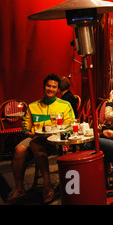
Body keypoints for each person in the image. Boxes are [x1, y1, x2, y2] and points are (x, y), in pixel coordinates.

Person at [6, 74, 75, 204]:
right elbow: (25, 127)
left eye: (54, 87)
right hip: (35, 137)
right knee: (20, 149)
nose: (51, 89)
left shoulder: (64, 105)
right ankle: (19, 188)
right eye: (48, 86)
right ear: (43, 87)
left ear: (57, 89)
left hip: (56, 139)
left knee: (35, 144)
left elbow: (70, 125)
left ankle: (47, 185)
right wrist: (30, 134)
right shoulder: (33, 106)